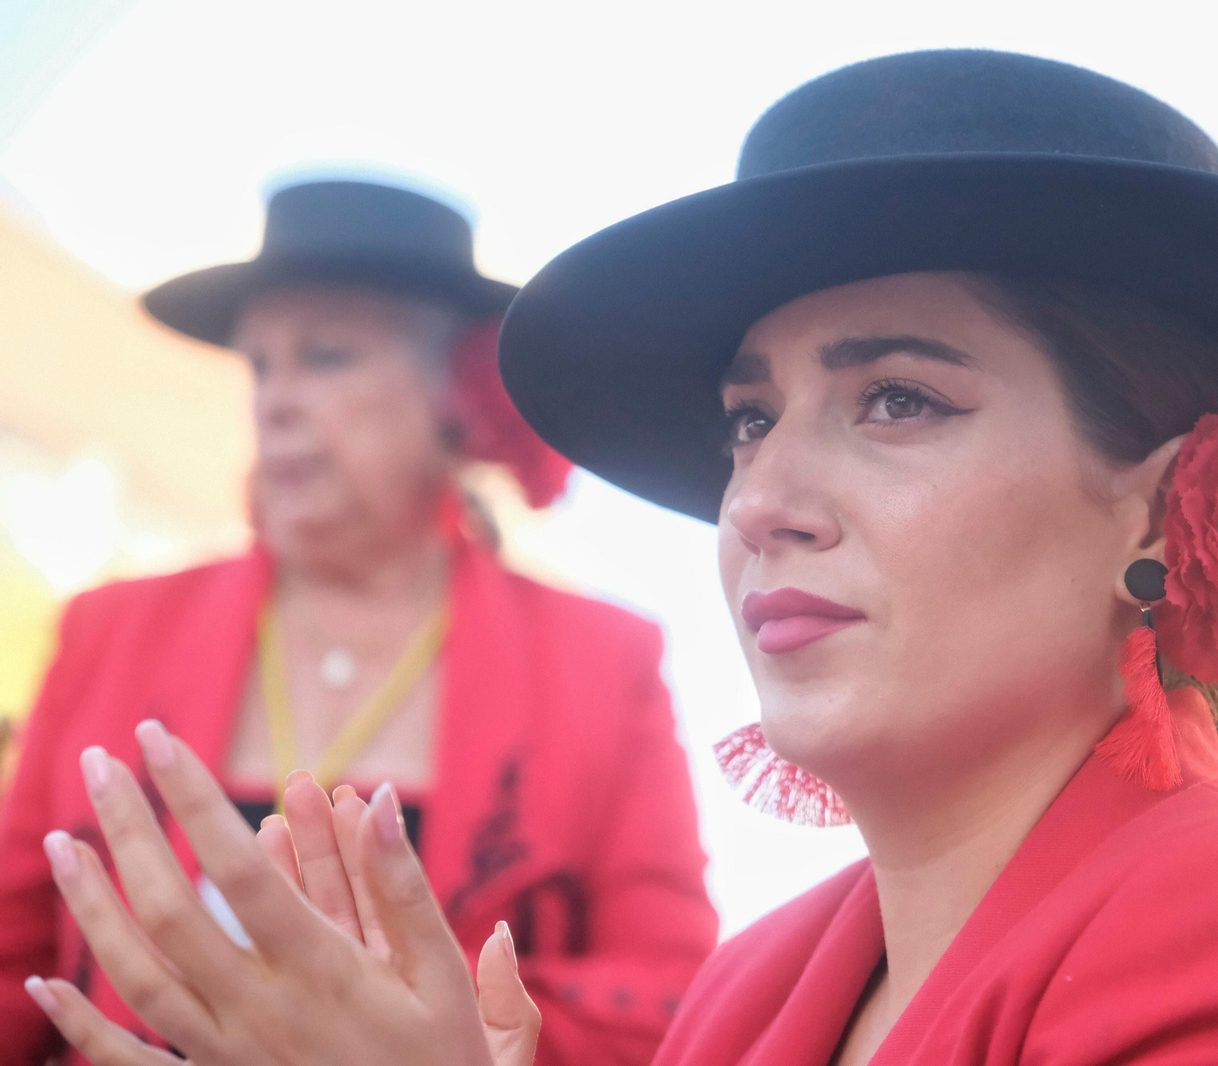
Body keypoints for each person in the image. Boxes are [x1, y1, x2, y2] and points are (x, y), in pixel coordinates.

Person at [21, 50, 1218, 1065]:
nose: (759, 497)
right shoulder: (757, 981)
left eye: (899, 399)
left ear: (1171, 510)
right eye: (745, 419)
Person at [0, 180, 717, 1066]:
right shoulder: (111, 626)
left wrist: (393, 1024)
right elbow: (11, 953)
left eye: (328, 356)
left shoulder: (604, 661)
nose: (277, 400)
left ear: (459, 394)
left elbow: (677, 1001)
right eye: (261, 366)